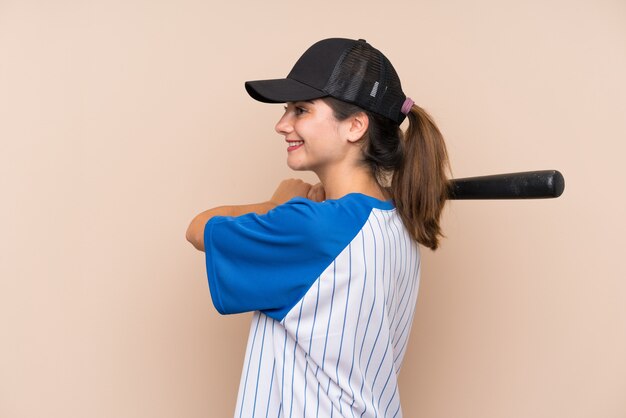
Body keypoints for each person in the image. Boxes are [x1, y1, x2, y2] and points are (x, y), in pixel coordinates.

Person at [186, 38, 450, 418]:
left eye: (301, 110)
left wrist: (275, 205)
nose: (282, 124)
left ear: (355, 126)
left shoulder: (312, 228)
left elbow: (198, 229)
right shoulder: (398, 220)